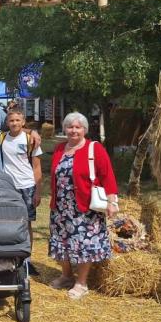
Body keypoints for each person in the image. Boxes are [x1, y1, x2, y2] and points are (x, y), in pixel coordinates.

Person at [48, 112, 119, 300]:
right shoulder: (59, 149)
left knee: (83, 245)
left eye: (78, 127)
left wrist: (112, 201)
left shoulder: (94, 149)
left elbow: (108, 176)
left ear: (84, 130)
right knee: (61, 242)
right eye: (70, 127)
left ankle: (81, 283)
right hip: (61, 207)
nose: (73, 130)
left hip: (84, 207)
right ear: (64, 129)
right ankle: (66, 276)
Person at [0, 109, 43, 276]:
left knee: (26, 224)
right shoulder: (2, 138)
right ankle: (11, 256)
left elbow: (37, 167)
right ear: (7, 123)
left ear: (23, 122)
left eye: (18, 120)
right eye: (11, 121)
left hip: (27, 186)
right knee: (9, 223)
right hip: (8, 187)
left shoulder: (29, 140)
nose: (15, 123)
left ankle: (27, 259)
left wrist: (38, 192)